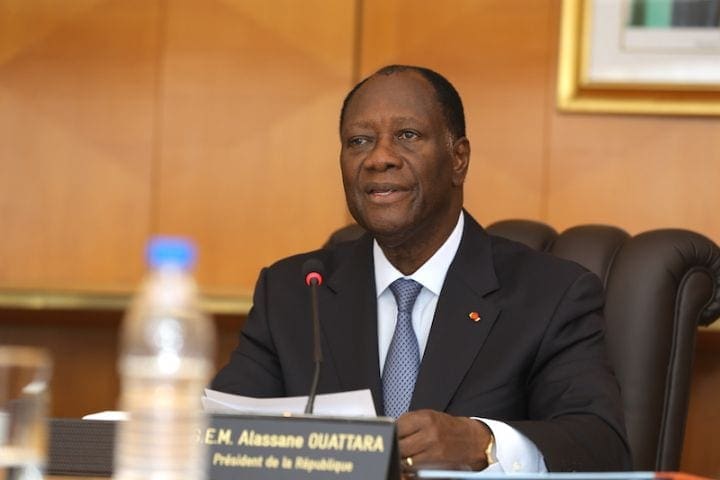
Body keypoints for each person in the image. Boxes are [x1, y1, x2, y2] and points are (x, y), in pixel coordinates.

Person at [212, 65, 631, 473]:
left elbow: (601, 446)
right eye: (359, 141)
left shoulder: (551, 295)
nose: (379, 158)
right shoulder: (295, 294)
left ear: (459, 159)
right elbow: (218, 438)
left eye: (407, 136)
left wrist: (482, 443)